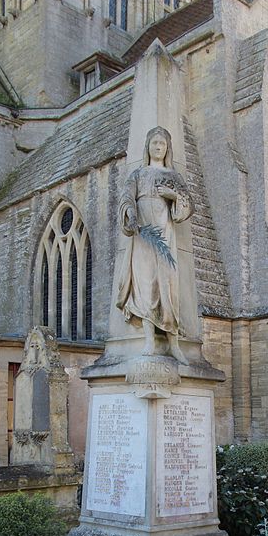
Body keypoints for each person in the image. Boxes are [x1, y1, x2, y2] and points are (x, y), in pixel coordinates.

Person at [117, 126, 194, 364]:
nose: (158, 147)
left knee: (168, 288)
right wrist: (129, 210)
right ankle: (149, 340)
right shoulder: (138, 175)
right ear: (148, 147)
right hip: (142, 237)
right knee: (145, 287)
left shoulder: (173, 176)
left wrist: (172, 196)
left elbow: (188, 205)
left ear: (167, 148)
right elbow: (126, 197)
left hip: (165, 237)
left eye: (162, 144)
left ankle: (174, 344)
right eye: (154, 143)